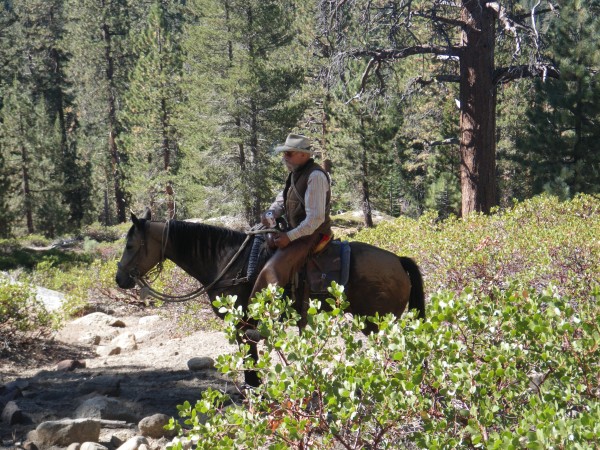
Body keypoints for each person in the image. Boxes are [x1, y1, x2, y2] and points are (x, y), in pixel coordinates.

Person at [249, 133, 332, 300]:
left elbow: (315, 219)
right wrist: (270, 213)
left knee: (272, 269)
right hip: (299, 232)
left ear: (303, 154)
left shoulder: (315, 176)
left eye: (289, 153)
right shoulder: (297, 173)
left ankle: (252, 320)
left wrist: (289, 236)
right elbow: (282, 199)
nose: (284, 157)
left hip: (313, 235)